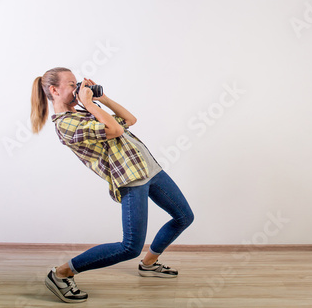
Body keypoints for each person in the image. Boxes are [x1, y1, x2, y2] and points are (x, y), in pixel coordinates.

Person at [30, 67, 194, 303]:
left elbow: (129, 120)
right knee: (129, 247)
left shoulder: (85, 111)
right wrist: (90, 105)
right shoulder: (66, 125)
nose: (78, 88)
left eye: (78, 83)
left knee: (184, 217)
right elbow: (115, 130)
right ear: (54, 90)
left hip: (150, 170)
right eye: (71, 84)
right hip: (131, 180)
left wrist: (101, 99)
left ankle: (149, 265)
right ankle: (61, 273)